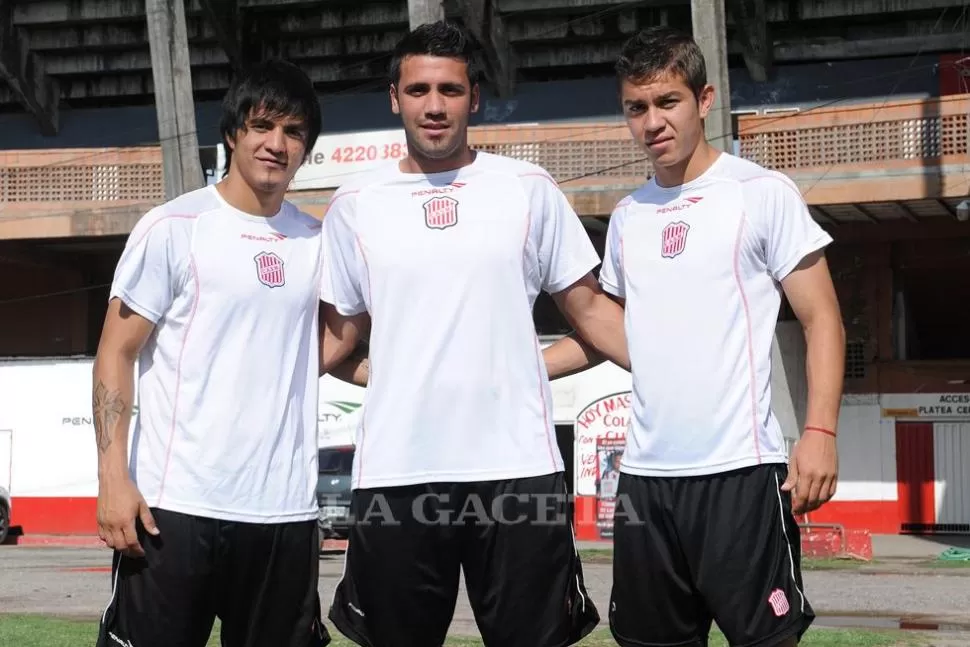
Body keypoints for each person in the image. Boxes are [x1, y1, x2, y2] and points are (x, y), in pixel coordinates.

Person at [319, 20, 629, 647]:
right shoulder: (356, 202)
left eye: (450, 90)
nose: (434, 106)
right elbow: (334, 344)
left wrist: (525, 366)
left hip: (517, 471)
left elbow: (595, 319)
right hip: (397, 477)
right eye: (419, 90)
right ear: (394, 97)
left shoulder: (527, 190)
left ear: (475, 97)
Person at [543, 26, 845, 647]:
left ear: (704, 99)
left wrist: (819, 433)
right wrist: (521, 369)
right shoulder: (628, 215)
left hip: (741, 472)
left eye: (667, 102)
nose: (652, 121)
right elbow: (619, 336)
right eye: (636, 107)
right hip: (647, 479)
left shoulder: (761, 194)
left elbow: (823, 320)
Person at [92, 60, 331, 647]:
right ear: (233, 133)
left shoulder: (317, 240)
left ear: (307, 148)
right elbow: (115, 354)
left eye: (294, 132)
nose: (277, 144)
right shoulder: (174, 227)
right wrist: (111, 479)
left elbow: (330, 347)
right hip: (175, 509)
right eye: (263, 126)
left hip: (284, 513)